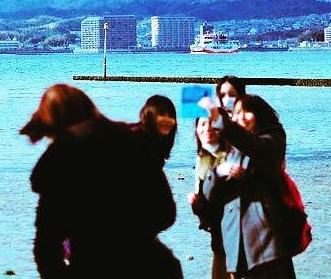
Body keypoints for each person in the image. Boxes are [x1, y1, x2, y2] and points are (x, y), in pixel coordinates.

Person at [22, 84, 181, 278]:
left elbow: (46, 250)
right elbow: (165, 213)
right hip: (148, 265)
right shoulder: (132, 145)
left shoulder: (57, 168)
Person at [201, 94, 296, 279]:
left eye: (247, 112)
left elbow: (255, 145)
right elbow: (208, 196)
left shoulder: (274, 140)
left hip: (267, 247)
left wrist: (221, 121)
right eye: (236, 113)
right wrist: (219, 172)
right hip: (235, 247)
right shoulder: (231, 150)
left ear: (260, 114)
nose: (241, 117)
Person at [188, 117, 230, 279]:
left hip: (235, 238)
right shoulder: (203, 157)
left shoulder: (231, 155)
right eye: (203, 124)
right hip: (218, 236)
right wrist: (197, 206)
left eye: (212, 124)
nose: (208, 128)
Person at [132, 94, 178, 166]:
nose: (167, 119)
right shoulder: (134, 142)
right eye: (162, 114)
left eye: (171, 116)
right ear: (150, 116)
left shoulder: (157, 144)